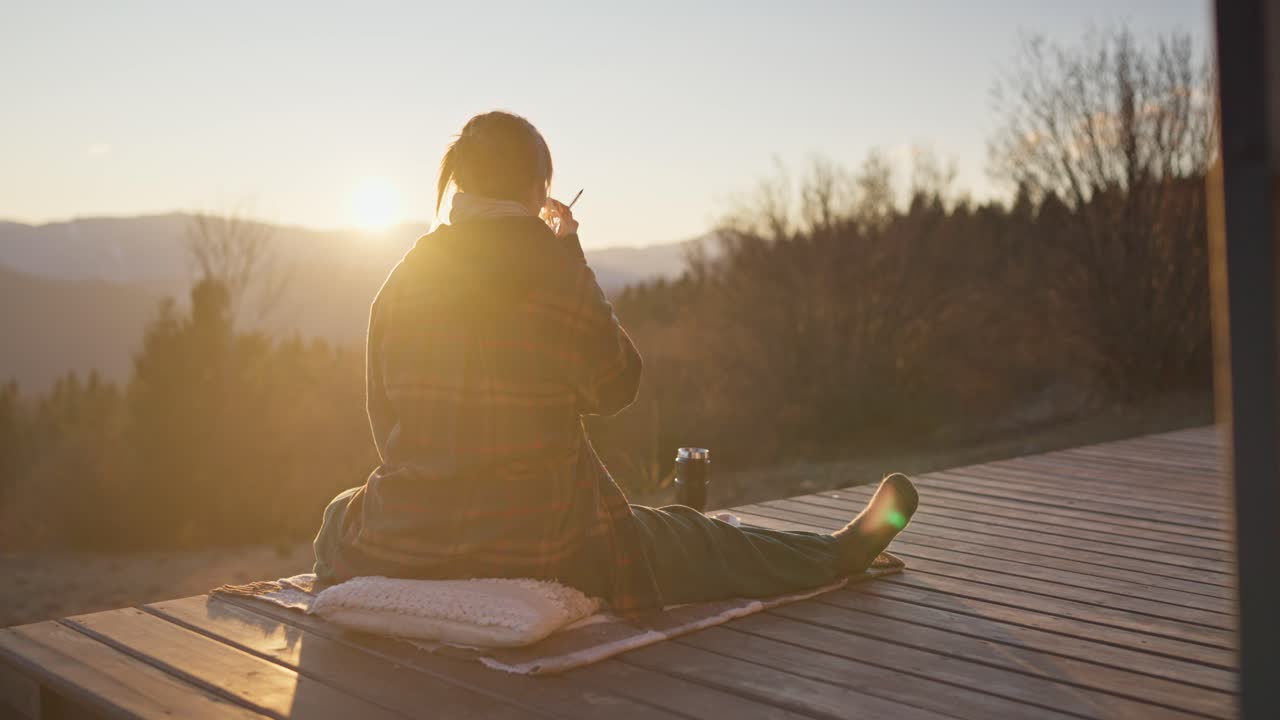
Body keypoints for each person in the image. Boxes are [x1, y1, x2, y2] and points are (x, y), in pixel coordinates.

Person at [312, 110, 919, 618]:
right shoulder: (554, 270)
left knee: (341, 513)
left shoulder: (402, 279)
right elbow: (617, 384)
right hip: (542, 535)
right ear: (537, 188)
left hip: (411, 532)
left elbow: (384, 423)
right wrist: (571, 256)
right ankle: (838, 552)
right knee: (695, 539)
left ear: (462, 187)